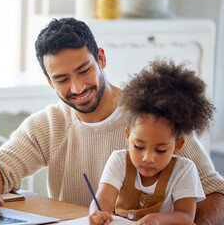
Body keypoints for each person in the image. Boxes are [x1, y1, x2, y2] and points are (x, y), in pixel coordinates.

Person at [0, 17, 224, 224]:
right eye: (62, 79)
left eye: (84, 70)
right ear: (50, 82)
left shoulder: (154, 116)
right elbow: (1, 166)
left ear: (101, 59)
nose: (78, 87)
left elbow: (213, 190)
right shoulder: (50, 124)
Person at [89, 60, 210, 225]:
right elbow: (103, 198)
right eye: (138, 146)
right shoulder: (118, 161)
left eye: (160, 150)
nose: (147, 158)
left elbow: (186, 217)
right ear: (127, 135)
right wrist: (97, 213)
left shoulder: (184, 170)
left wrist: (159, 219)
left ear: (177, 146)